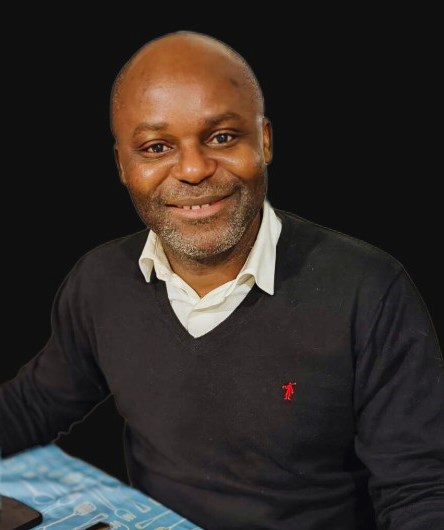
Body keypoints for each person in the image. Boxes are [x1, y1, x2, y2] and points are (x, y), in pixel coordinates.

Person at [1, 30, 443, 530]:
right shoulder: (99, 282)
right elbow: (32, 406)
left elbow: (421, 492)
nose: (193, 170)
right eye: (157, 147)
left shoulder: (370, 291)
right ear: (123, 165)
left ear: (265, 141)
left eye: (222, 137)